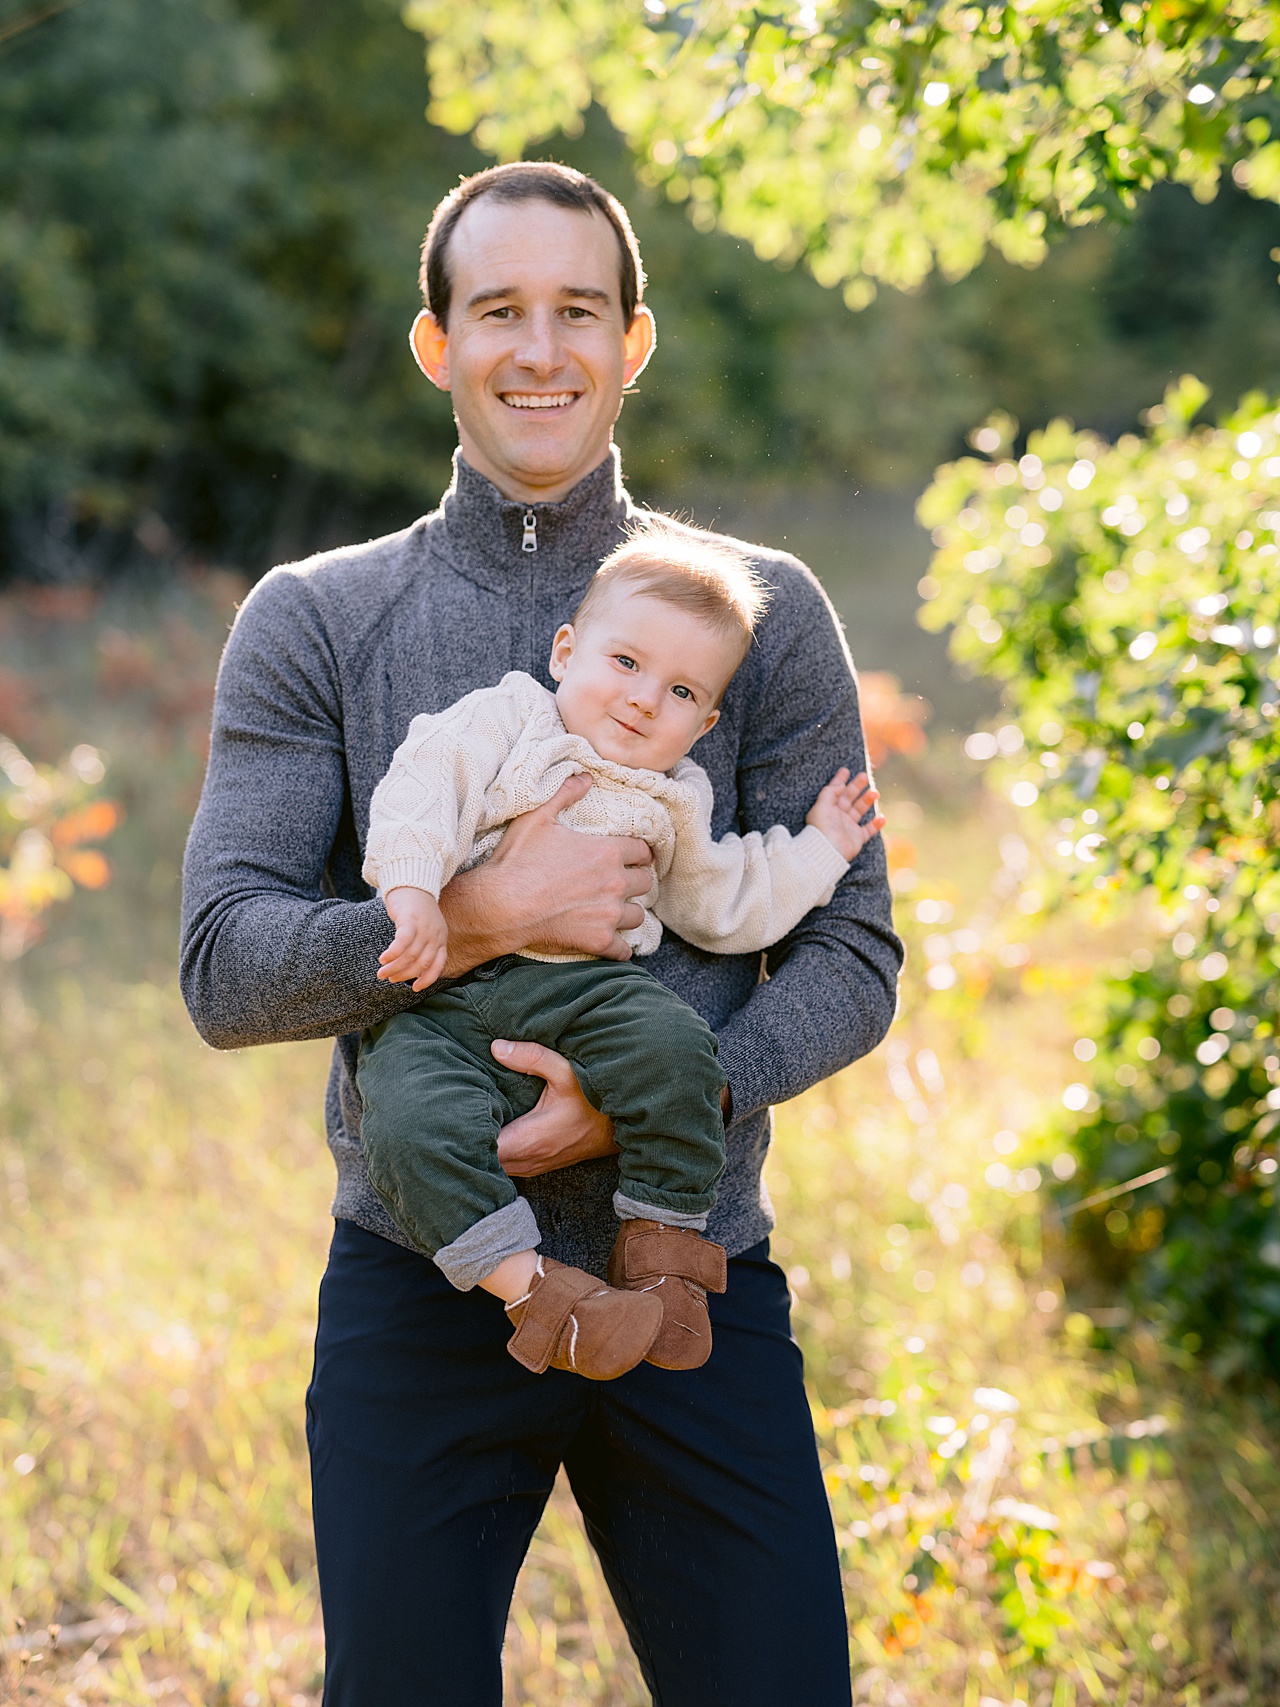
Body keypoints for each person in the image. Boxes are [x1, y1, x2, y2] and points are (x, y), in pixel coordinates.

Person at [180, 160, 903, 1707]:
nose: (541, 348)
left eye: (579, 309)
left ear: (635, 340)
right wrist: (489, 907)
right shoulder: (317, 615)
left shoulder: (758, 610)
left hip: (691, 1267)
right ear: (437, 343)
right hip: (419, 1282)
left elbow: (853, 954)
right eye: (497, 309)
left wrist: (676, 1090)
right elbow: (223, 964)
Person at [357, 515, 886, 1379]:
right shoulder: (506, 721)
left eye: (681, 693)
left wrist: (822, 847)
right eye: (627, 663)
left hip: (586, 996)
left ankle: (665, 1253)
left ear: (707, 721)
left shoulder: (672, 798)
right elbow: (423, 788)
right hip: (443, 1002)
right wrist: (415, 895)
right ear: (566, 652)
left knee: (677, 1048)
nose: (644, 698)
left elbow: (727, 902)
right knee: (411, 1122)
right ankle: (534, 1292)